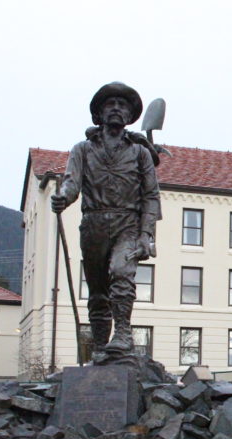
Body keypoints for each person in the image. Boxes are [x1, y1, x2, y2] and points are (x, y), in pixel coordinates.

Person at [52, 82, 161, 359]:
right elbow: (71, 183)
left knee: (122, 273)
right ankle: (100, 349)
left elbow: (151, 195)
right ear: (99, 114)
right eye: (110, 104)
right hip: (93, 225)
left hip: (128, 223)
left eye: (122, 105)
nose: (116, 109)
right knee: (98, 291)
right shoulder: (82, 150)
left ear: (129, 115)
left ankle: (123, 333)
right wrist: (63, 198)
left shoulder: (140, 153)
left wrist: (146, 234)